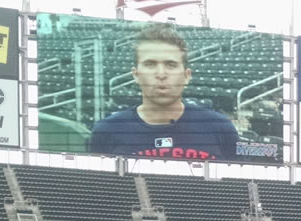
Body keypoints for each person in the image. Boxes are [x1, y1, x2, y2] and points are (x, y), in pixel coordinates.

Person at [89, 23, 241, 161]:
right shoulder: (106, 131)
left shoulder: (220, 128)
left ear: (187, 75)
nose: (161, 74)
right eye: (150, 64)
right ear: (135, 75)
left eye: (171, 64)